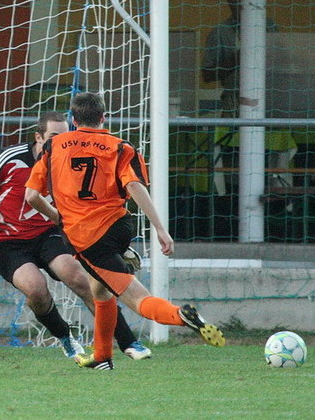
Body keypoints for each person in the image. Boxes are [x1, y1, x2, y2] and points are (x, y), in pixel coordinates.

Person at [25, 93, 225, 370]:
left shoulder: (53, 146)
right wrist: (160, 229)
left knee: (136, 298)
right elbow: (134, 187)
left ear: (72, 119)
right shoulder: (120, 146)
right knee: (100, 289)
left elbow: (32, 196)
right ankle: (102, 356)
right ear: (104, 118)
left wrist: (57, 217)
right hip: (120, 226)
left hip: (87, 237)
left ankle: (181, 315)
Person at [0, 111, 152, 361]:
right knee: (36, 290)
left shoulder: (72, 161)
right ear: (38, 137)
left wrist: (114, 245)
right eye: (53, 136)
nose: (59, 141)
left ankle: (129, 341)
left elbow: (92, 203)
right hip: (7, 241)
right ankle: (65, 337)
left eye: (64, 136)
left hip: (50, 234)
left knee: (80, 278)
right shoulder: (11, 158)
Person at [202, 0, 295, 195]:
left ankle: (278, 196)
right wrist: (236, 59)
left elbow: (285, 65)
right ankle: (230, 199)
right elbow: (207, 74)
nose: (242, 5)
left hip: (269, 104)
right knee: (234, 160)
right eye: (236, 0)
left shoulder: (271, 29)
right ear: (229, 2)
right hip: (233, 105)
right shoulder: (221, 32)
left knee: (272, 154)